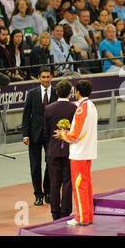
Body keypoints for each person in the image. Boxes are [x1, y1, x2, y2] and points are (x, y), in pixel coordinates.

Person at [54, 80, 98, 226]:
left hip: (79, 152)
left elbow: (75, 135)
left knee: (79, 185)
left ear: (77, 92)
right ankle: (88, 215)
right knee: (86, 185)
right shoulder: (91, 106)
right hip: (88, 151)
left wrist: (63, 134)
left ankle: (81, 217)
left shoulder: (81, 109)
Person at [22, 66, 58, 206]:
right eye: (43, 77)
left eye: (48, 77)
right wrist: (25, 134)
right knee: (35, 166)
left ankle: (48, 193)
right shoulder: (32, 93)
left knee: (50, 164)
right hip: (34, 134)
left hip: (52, 134)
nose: (46, 79)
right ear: (39, 78)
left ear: (51, 77)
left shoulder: (57, 92)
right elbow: (26, 115)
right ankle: (38, 194)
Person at [43, 80, 77, 221]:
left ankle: (55, 213)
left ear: (56, 92)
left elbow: (46, 131)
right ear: (70, 92)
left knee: (54, 183)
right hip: (70, 150)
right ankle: (65, 212)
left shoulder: (48, 108)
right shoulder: (74, 108)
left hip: (53, 150)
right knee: (68, 182)